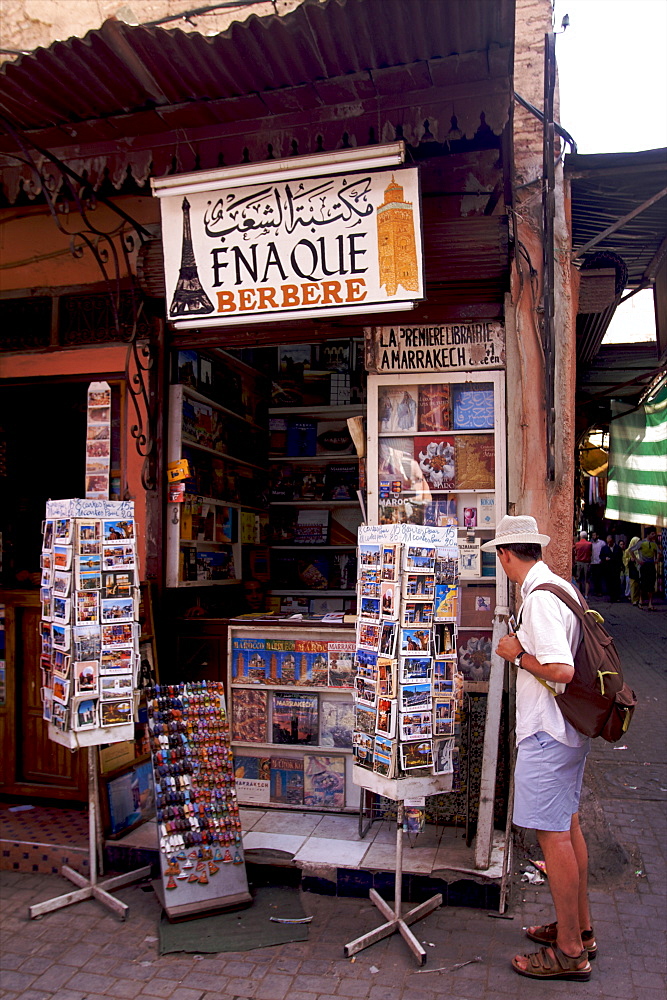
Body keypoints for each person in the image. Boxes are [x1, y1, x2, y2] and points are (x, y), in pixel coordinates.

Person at [483, 515, 593, 982]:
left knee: (553, 836)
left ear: (507, 556)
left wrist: (516, 656)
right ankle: (579, 930)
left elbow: (561, 670)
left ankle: (570, 951)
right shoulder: (559, 587)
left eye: (500, 557)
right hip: (565, 731)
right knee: (566, 827)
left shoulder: (542, 601)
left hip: (548, 732)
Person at [630, 529, 660, 610]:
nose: (654, 535)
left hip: (651, 565)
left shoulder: (654, 544)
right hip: (644, 565)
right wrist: (637, 560)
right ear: (648, 534)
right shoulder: (642, 543)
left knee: (651, 584)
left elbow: (658, 552)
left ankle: (650, 603)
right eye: (652, 534)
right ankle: (641, 601)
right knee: (643, 583)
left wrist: (657, 559)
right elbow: (631, 550)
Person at [600, 534, 623, 602]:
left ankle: (617, 596)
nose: (609, 543)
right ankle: (611, 596)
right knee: (609, 582)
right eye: (608, 542)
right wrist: (605, 558)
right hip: (608, 568)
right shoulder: (604, 548)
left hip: (616, 568)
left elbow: (620, 557)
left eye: (610, 542)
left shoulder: (617, 548)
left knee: (616, 582)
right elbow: (601, 556)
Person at [572, 530, 592, 598]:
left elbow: (574, 551)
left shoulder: (577, 544)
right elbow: (591, 553)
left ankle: (579, 593)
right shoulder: (589, 544)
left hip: (579, 562)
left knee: (578, 579)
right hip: (587, 562)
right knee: (587, 580)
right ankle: (586, 595)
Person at [625, 536, 641, 606]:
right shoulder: (628, 551)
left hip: (639, 569)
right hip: (632, 569)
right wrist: (630, 560)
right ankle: (634, 599)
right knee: (633, 585)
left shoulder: (640, 550)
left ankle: (639, 599)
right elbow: (624, 560)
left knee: (639, 585)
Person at [589, 531, 604, 596]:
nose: (593, 537)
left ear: (597, 536)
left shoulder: (602, 543)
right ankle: (595, 591)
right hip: (593, 562)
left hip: (599, 562)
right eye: (592, 535)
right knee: (594, 578)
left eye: (594, 535)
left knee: (599, 577)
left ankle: (600, 591)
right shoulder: (590, 543)